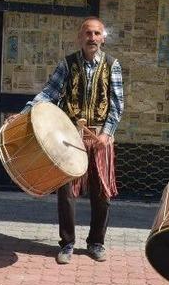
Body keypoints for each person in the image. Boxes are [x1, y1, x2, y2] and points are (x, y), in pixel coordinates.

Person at [21, 17, 124, 264]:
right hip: (69, 137)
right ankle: (67, 243)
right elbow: (49, 93)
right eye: (88, 33)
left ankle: (96, 242)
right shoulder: (67, 64)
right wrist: (25, 112)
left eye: (97, 33)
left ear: (103, 38)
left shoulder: (113, 65)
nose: (92, 37)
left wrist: (106, 134)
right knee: (66, 192)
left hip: (101, 137)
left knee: (102, 193)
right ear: (80, 37)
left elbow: (117, 104)